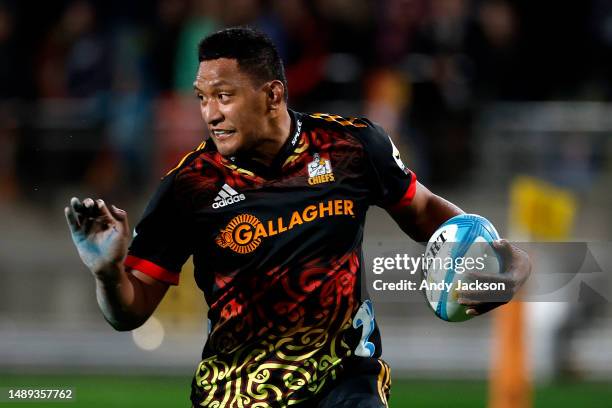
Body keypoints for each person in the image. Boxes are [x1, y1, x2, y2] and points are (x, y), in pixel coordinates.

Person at [64, 27, 531, 408]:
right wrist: (107, 273)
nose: (210, 113)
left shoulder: (352, 147)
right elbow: (130, 312)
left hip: (346, 380)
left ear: (272, 95)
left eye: (223, 96)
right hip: (235, 391)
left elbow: (425, 211)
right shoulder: (189, 187)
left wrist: (490, 256)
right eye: (202, 98)